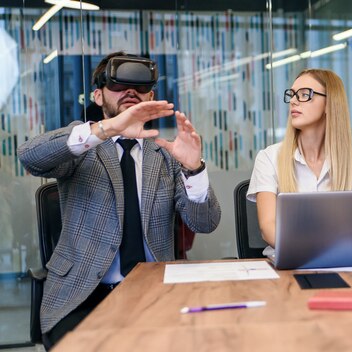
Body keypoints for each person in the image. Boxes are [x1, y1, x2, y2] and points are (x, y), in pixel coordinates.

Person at [18, 52, 221, 349]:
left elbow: (205, 223)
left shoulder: (166, 154)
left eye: (139, 88)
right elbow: (30, 156)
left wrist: (194, 169)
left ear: (150, 96)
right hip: (82, 297)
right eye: (118, 86)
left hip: (156, 295)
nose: (130, 92)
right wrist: (108, 129)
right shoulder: (82, 146)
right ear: (98, 96)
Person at [247, 68, 352, 250]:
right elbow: (268, 227)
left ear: (330, 104)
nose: (293, 101)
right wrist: (312, 253)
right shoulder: (269, 158)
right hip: (287, 265)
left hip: (342, 262)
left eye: (304, 94)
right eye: (292, 94)